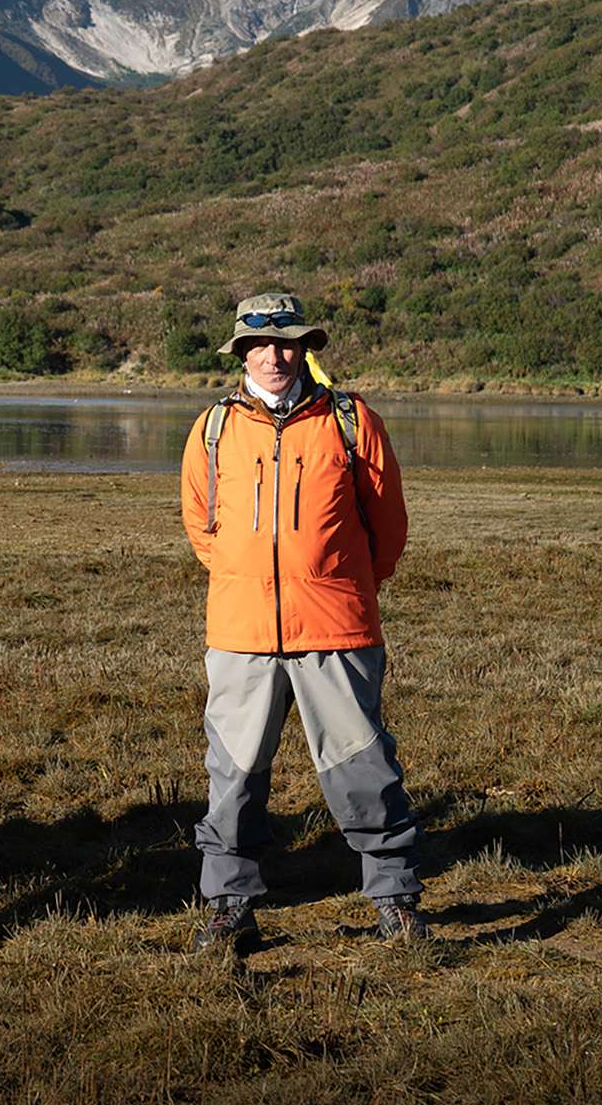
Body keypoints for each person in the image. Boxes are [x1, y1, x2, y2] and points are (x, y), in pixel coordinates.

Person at [179, 291, 423, 952]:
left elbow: (387, 528)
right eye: (259, 344)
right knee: (233, 777)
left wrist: (336, 586)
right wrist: (252, 582)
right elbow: (204, 528)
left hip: (336, 631)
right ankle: (231, 906)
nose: (273, 355)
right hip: (240, 635)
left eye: (287, 342)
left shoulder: (352, 421)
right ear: (241, 352)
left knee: (364, 771)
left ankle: (395, 900)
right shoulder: (212, 429)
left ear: (306, 348)